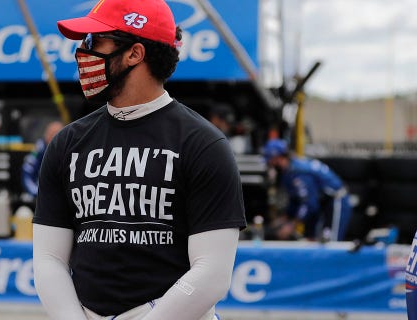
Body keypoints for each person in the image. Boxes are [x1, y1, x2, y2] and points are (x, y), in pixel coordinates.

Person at [32, 0, 247, 319]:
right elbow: (49, 258)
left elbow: (212, 272)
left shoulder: (203, 144)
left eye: (94, 41)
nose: (82, 52)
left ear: (134, 53)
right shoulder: (67, 142)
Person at [263, 139, 352, 241]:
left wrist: (291, 226)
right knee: (312, 238)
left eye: (270, 159)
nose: (269, 163)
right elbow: (296, 199)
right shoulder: (288, 172)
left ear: (277, 158)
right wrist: (285, 218)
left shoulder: (299, 172)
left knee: (331, 241)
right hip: (322, 202)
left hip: (336, 200)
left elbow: (309, 203)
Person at [21, 121, 64, 198]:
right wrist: (37, 193)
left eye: (58, 134)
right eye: (51, 133)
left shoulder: (66, 149)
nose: (54, 137)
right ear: (46, 134)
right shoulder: (39, 148)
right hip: (41, 195)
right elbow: (27, 172)